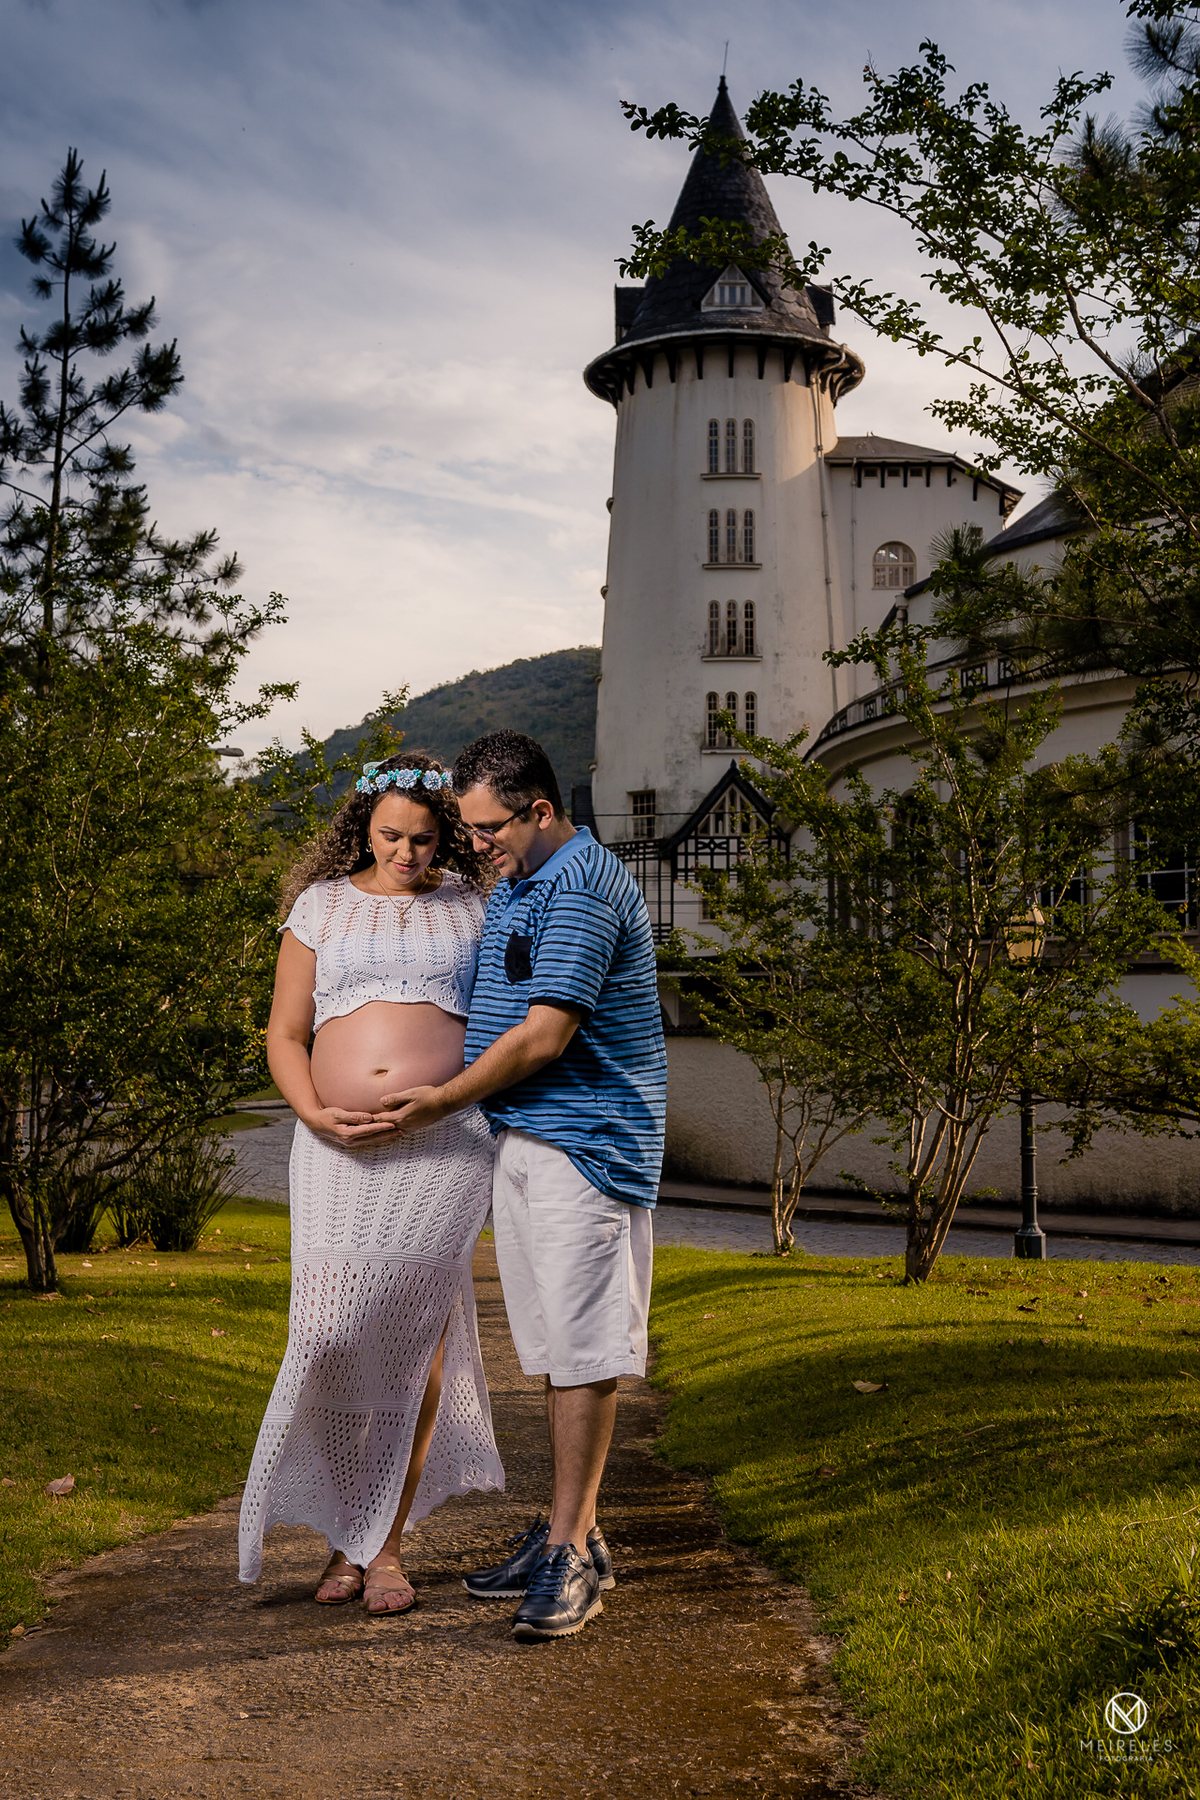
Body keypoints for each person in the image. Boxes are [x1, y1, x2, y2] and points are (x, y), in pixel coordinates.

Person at [376, 730, 666, 1641]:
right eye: (467, 828)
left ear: (541, 809)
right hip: (528, 1141)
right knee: (550, 1351)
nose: (477, 844)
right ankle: (567, 1531)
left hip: (588, 1146)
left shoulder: (579, 882)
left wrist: (437, 1104)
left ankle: (572, 1557)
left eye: (490, 826)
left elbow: (546, 1035)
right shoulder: (523, 881)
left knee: (585, 1356)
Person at [238, 752, 504, 1614]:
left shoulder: (475, 903)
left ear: (448, 837)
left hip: (447, 1147)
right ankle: (340, 1535)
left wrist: (457, 1097)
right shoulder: (319, 907)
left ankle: (381, 1548)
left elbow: (511, 1019)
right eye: (391, 835)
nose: (407, 853)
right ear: (363, 824)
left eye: (425, 840)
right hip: (334, 1147)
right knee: (328, 1334)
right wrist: (312, 1112)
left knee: (408, 1337)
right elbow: (284, 1033)